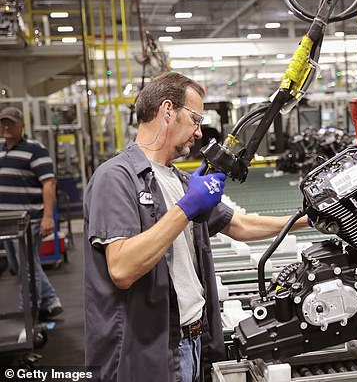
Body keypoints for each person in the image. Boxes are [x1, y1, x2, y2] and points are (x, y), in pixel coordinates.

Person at [83, 72, 309, 382]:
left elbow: (239, 224)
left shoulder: (179, 180)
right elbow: (122, 267)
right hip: (146, 352)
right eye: (195, 119)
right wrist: (187, 207)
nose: (199, 132)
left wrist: (309, 219)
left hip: (192, 342)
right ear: (167, 111)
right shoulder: (116, 178)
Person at [0, 106, 63, 319]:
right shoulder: (0, 150)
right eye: (3, 123)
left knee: (27, 265)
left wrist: (47, 216)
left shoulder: (35, 149)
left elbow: (49, 183)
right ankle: (50, 300)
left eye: (11, 123)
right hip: (5, 220)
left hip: (28, 221)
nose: (6, 127)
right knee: (19, 265)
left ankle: (28, 311)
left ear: (22, 125)